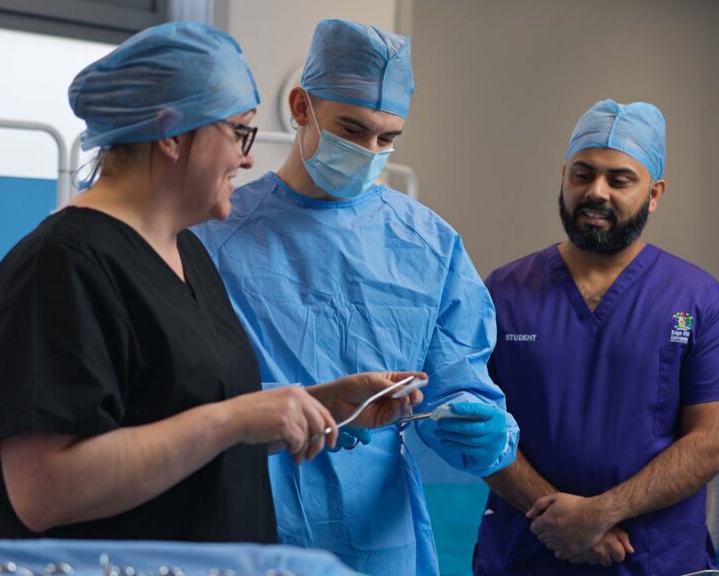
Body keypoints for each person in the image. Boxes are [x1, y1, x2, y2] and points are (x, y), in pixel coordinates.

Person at [0, 21, 422, 543]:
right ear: (171, 135)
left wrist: (319, 403)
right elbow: (44, 491)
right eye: (238, 133)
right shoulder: (62, 267)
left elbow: (176, 416)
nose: (248, 158)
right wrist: (233, 419)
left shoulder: (185, 252)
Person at [193, 18, 518, 575]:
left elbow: (457, 383)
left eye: (386, 138)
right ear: (300, 108)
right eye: (352, 129)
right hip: (250, 528)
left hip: (376, 538)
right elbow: (189, 398)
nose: (369, 151)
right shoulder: (215, 235)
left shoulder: (429, 246)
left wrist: (484, 428)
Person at [474, 100, 719, 575]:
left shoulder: (697, 298)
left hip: (651, 558)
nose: (595, 191)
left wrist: (600, 515)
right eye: (582, 174)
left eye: (619, 179)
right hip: (527, 553)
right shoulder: (504, 291)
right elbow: (475, 423)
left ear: (654, 193)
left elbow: (712, 441)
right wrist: (563, 522)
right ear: (563, 176)